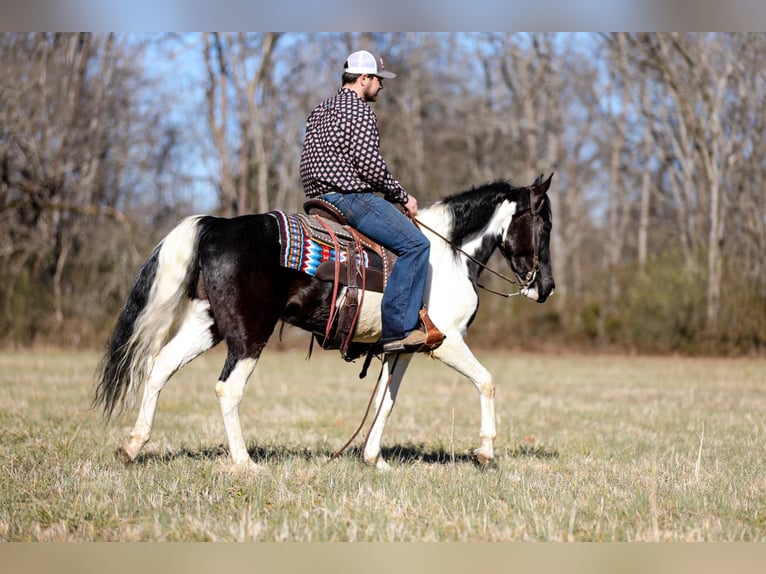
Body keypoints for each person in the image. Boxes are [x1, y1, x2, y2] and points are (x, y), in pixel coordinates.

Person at [300, 49, 444, 353]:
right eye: (378, 79)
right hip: (350, 198)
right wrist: (402, 197)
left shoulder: (320, 110)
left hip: (317, 200)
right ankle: (397, 330)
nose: (381, 86)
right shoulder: (359, 111)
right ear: (363, 78)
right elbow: (371, 166)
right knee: (416, 245)